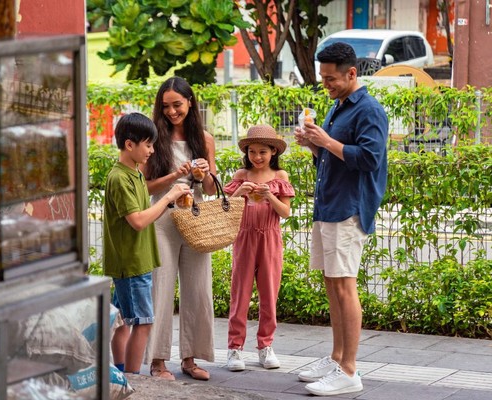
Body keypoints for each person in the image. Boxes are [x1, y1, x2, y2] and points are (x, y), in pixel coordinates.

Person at [294, 42, 388, 396]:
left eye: (331, 78)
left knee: (345, 286)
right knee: (333, 284)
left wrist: (327, 141)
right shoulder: (338, 105)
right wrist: (314, 145)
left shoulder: (369, 110)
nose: (326, 84)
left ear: (352, 73)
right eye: (323, 78)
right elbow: (333, 157)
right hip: (330, 205)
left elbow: (370, 159)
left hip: (349, 208)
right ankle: (336, 358)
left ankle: (349, 370)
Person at [141, 76, 217, 381]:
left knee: (199, 290)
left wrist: (204, 173)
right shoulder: (154, 138)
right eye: (166, 106)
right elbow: (146, 186)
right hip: (162, 219)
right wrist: (176, 175)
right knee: (160, 290)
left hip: (196, 218)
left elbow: (211, 189)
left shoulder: (205, 139)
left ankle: (190, 358)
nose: (172, 111)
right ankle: (157, 361)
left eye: (177, 105)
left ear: (190, 103)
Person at [103, 112, 190, 375]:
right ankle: (132, 379)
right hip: (132, 263)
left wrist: (171, 200)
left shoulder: (135, 174)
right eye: (148, 144)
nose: (152, 150)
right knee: (143, 323)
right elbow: (138, 221)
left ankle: (121, 375)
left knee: (122, 321)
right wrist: (169, 196)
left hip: (131, 260)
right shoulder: (120, 178)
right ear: (130, 145)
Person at [223, 125, 295, 372]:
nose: (257, 157)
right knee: (240, 295)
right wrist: (238, 194)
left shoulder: (280, 177)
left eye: (262, 151)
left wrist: (270, 196)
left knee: (269, 296)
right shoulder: (241, 174)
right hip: (244, 238)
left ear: (273, 151)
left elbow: (285, 212)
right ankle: (235, 348)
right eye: (252, 151)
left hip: (270, 239)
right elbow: (226, 210)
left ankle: (266, 346)